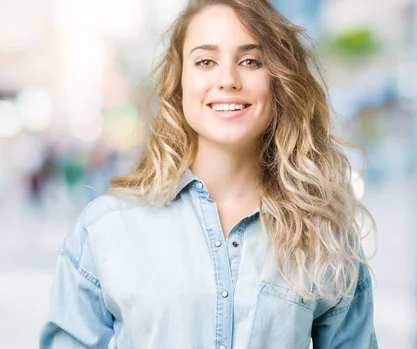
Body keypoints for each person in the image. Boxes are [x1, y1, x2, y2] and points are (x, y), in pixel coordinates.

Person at [40, 0, 378, 348]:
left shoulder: (322, 232)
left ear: (277, 81)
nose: (228, 80)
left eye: (250, 60)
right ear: (180, 81)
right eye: (206, 61)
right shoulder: (107, 226)